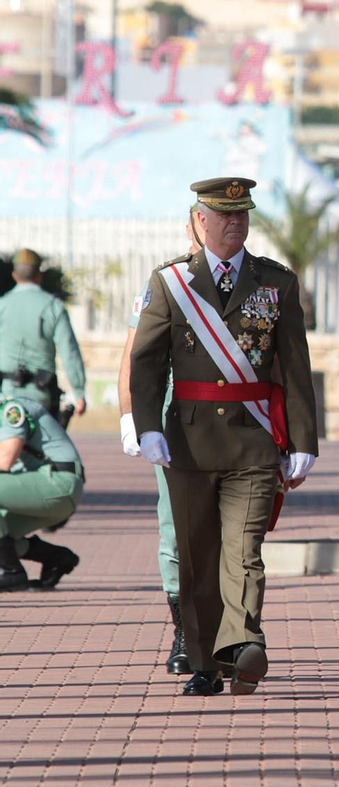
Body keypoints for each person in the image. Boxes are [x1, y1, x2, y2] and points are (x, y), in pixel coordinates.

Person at [130, 177, 319, 697]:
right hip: (187, 442)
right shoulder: (171, 282)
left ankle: (243, 644)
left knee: (244, 549)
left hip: (253, 438)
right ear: (200, 221)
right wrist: (145, 426)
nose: (236, 223)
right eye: (224, 215)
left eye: (243, 215)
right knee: (196, 554)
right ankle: (206, 660)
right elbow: (146, 363)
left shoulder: (275, 283)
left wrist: (304, 441)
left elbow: (295, 369)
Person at [118, 210, 206, 675]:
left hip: (235, 421)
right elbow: (135, 357)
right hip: (174, 422)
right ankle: (185, 634)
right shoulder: (163, 282)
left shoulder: (252, 282)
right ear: (191, 228)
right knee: (175, 527)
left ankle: (231, 630)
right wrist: (131, 417)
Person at [0, 395, 83, 592]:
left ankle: (11, 572)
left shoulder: (11, 409)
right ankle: (56, 558)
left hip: (60, 484)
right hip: (47, 486)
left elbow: (5, 460)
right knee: (6, 540)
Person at [0, 248, 87, 426]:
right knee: (65, 455)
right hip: (41, 397)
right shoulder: (53, 307)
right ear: (39, 275)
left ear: (15, 275)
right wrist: (78, 392)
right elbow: (69, 352)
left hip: (5, 396)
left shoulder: (2, 306)